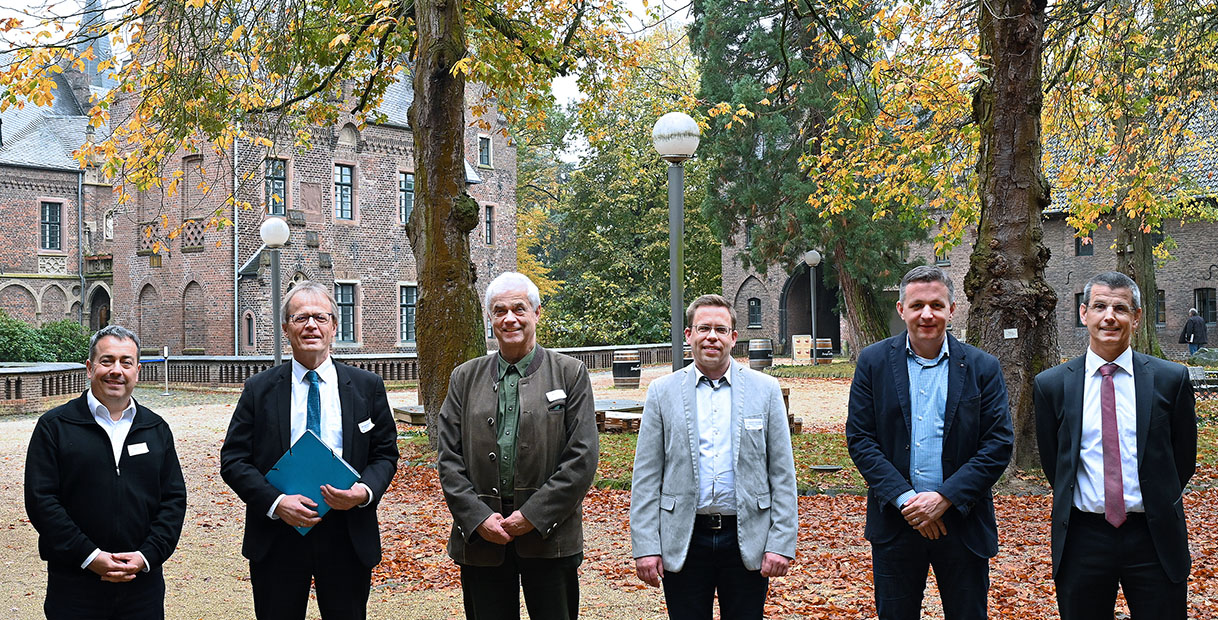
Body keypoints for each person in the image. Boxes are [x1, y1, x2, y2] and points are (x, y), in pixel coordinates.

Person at [220, 281, 399, 620]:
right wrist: (276, 503)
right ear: (285, 328)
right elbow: (233, 460)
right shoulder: (259, 389)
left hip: (347, 533)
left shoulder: (367, 387)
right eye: (300, 318)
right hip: (278, 534)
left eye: (320, 317)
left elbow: (385, 454)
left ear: (334, 326)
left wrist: (363, 492)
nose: (311, 326)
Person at [845, 265, 1013, 620]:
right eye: (917, 304)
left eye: (937, 305)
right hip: (896, 523)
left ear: (952, 310)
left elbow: (997, 443)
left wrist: (945, 498)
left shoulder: (983, 367)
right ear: (901, 308)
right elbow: (861, 439)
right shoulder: (872, 363)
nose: (927, 314)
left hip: (963, 523)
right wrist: (910, 502)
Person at [1035, 271, 1196, 619]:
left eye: (1121, 308)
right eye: (1100, 306)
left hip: (1153, 536)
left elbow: (1183, 459)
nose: (1110, 316)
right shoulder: (1052, 385)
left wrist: (1153, 495)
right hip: (1083, 537)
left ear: (1136, 318)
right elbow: (1055, 463)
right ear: (1084, 314)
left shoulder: (1170, 380)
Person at [438, 272, 599, 620]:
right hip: (482, 539)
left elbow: (582, 457)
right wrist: (478, 518)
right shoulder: (464, 378)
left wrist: (533, 515)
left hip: (550, 537)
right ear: (490, 319)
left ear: (537, 313)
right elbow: (448, 458)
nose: (509, 318)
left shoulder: (570, 374)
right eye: (499, 311)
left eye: (519, 308)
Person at [630, 294, 797, 620]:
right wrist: (646, 546)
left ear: (734, 338)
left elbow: (782, 473)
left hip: (748, 537)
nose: (711, 336)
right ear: (688, 335)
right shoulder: (662, 393)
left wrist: (781, 542)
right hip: (684, 538)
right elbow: (647, 476)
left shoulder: (766, 390)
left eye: (721, 329)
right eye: (703, 328)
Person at [25, 325, 187, 620]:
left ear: (137, 370)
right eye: (107, 360)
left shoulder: (156, 429)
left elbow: (173, 501)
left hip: (142, 586)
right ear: (90, 367)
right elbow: (42, 501)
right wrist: (89, 556)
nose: (116, 370)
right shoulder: (55, 427)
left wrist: (146, 556)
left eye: (126, 362)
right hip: (74, 585)